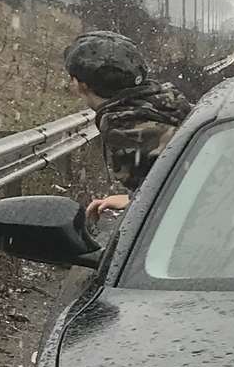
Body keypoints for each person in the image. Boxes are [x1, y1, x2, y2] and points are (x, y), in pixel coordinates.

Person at [63, 31, 194, 223]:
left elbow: (177, 202)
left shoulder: (124, 127)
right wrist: (135, 199)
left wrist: (138, 201)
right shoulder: (167, 103)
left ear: (80, 85)